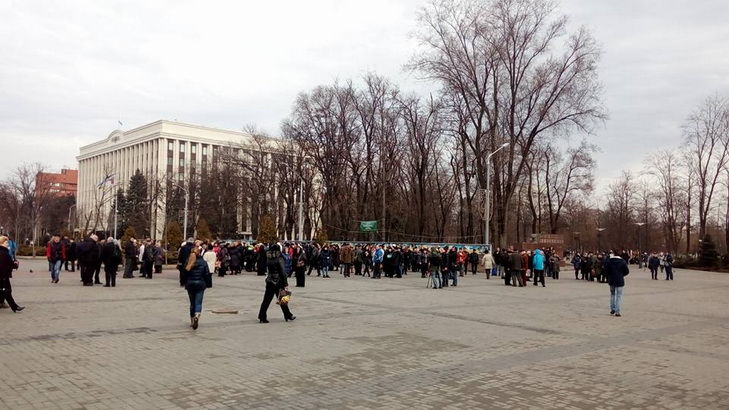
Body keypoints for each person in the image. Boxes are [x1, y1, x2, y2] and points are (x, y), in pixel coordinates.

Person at [257, 244, 295, 323]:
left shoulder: (269, 258)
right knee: (283, 299)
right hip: (278, 281)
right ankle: (288, 315)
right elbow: (282, 271)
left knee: (266, 300)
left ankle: (262, 316)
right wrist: (285, 283)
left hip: (270, 280)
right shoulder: (279, 258)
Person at [180, 247, 212, 330]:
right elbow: (207, 274)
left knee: (192, 303)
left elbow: (184, 273)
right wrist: (208, 284)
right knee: (198, 302)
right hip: (200, 284)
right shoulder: (203, 262)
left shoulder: (188, 261)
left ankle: (192, 320)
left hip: (190, 284)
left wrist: (183, 283)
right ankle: (197, 316)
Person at [0, 235, 23, 313]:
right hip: (3, 276)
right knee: (7, 291)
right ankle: (14, 306)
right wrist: (15, 264)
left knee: (5, 291)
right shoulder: (4, 254)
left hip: (2, 275)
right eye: (6, 243)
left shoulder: (4, 252)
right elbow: (11, 264)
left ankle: (13, 306)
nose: (7, 244)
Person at [604, 251, 629, 317]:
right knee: (619, 296)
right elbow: (626, 271)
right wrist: (621, 275)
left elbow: (606, 270)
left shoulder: (609, 261)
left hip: (611, 280)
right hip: (619, 280)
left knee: (612, 294)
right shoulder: (622, 261)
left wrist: (609, 275)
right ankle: (617, 311)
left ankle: (613, 308)